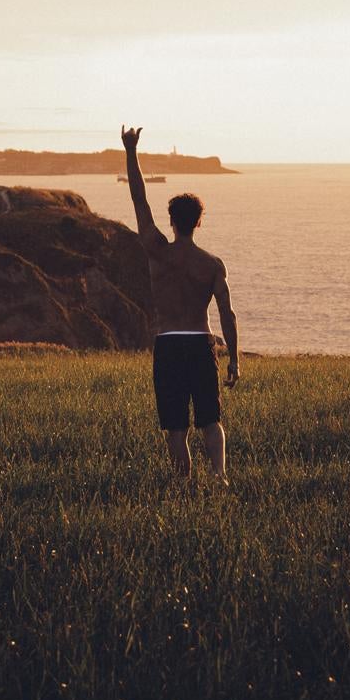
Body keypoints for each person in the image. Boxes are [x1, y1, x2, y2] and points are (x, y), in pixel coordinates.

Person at [121, 125, 239, 484]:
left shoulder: (157, 252)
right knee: (210, 420)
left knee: (176, 427)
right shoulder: (212, 264)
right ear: (199, 222)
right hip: (202, 344)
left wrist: (130, 150)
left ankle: (182, 482)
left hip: (169, 344)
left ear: (171, 221)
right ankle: (219, 477)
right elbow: (226, 313)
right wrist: (233, 357)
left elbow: (139, 200)